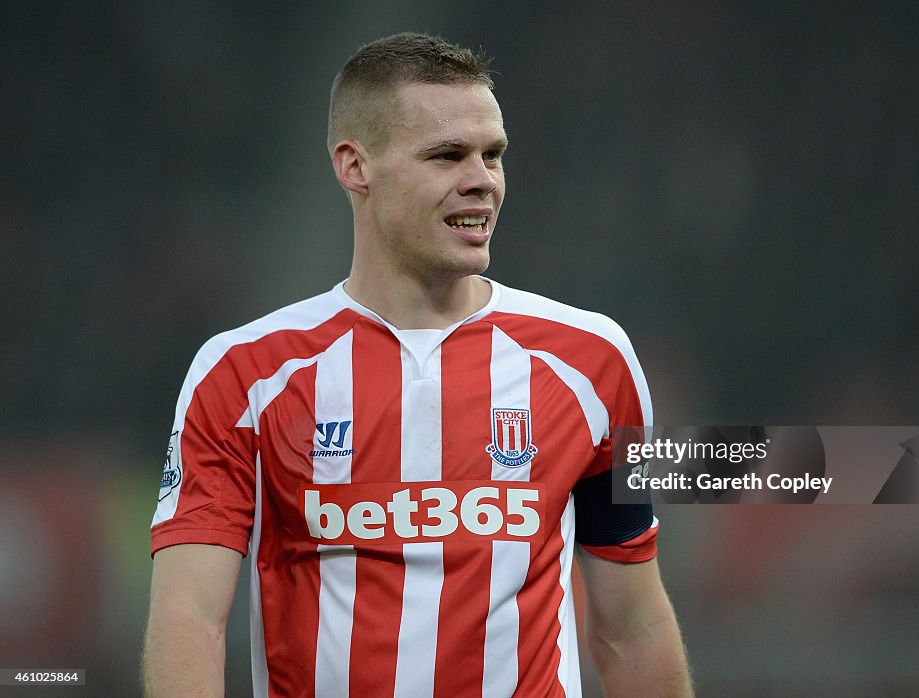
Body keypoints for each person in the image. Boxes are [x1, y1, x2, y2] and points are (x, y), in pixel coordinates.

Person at [142, 32, 692, 697]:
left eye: (493, 155)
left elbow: (631, 625)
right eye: (447, 156)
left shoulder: (595, 362)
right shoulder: (242, 373)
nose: (481, 180)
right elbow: (190, 618)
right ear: (355, 167)